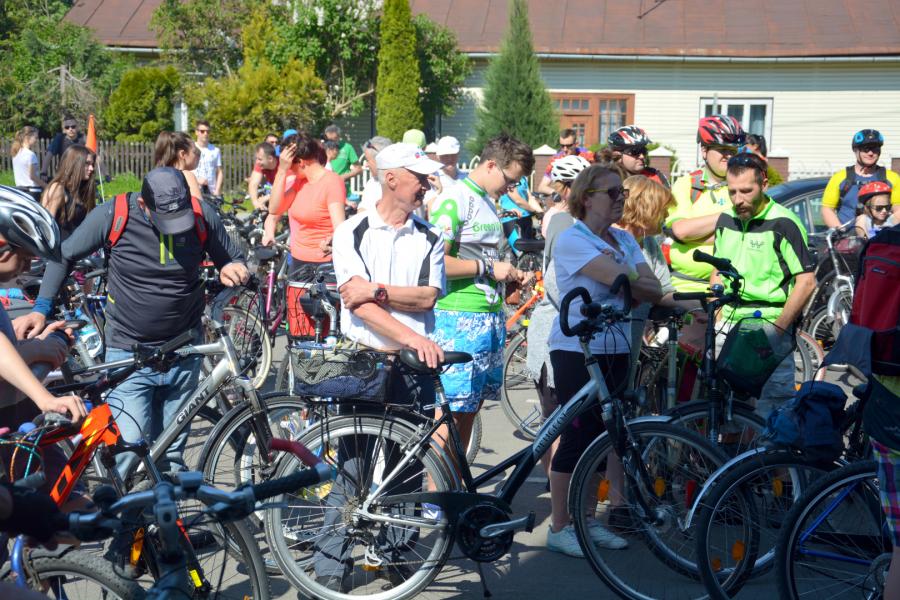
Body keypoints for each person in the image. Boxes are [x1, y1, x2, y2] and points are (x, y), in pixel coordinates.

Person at [15, 167, 248, 478]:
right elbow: (64, 255)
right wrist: (41, 309)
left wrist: (232, 266)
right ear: (142, 205)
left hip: (185, 351)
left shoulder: (201, 215)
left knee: (171, 456)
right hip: (129, 353)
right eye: (165, 221)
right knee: (127, 450)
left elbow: (231, 257)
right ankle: (120, 508)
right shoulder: (114, 214)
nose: (175, 230)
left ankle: (165, 509)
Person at [313, 144, 447, 590]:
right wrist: (411, 335)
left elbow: (427, 296)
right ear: (391, 178)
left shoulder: (431, 236)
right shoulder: (352, 231)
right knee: (353, 465)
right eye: (419, 177)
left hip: (413, 365)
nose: (427, 185)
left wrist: (379, 290)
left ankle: (398, 559)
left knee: (406, 467)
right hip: (366, 361)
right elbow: (357, 302)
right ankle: (329, 569)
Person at [546, 165, 662, 557]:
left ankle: (585, 519)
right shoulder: (572, 238)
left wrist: (632, 281)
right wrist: (631, 280)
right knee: (578, 436)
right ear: (586, 198)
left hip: (616, 346)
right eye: (612, 193)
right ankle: (559, 525)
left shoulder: (624, 238)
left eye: (621, 193)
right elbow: (624, 282)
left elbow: (652, 288)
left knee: (606, 435)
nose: (620, 200)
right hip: (576, 349)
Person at [428, 135, 531, 456]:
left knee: (470, 410)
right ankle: (435, 488)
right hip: (458, 318)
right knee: (449, 414)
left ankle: (456, 482)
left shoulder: (486, 200)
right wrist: (488, 267)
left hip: (488, 318)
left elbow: (483, 260)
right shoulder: (455, 199)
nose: (511, 188)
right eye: (509, 179)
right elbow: (436, 264)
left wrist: (508, 276)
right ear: (490, 165)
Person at [711, 152, 816, 419]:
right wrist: (716, 314)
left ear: (764, 184)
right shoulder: (725, 220)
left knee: (773, 414)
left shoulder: (784, 223)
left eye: (746, 191)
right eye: (732, 191)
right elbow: (717, 270)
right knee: (728, 413)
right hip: (729, 324)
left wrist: (778, 330)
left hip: (768, 324)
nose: (738, 199)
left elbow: (806, 281)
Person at [525, 154, 591, 481]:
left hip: (560, 322)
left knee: (558, 413)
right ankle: (557, 484)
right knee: (556, 414)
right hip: (554, 323)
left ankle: (559, 484)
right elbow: (557, 281)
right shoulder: (564, 220)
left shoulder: (568, 219)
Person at [617, 175, 702, 384]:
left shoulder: (650, 243)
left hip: (632, 336)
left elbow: (663, 291)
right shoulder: (611, 239)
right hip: (606, 338)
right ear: (646, 208)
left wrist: (698, 305)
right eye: (662, 209)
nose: (666, 215)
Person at [268, 132, 346, 337]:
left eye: (290, 166)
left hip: (325, 266)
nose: (289, 170)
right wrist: (281, 172)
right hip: (299, 263)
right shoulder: (299, 182)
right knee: (298, 330)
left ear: (301, 162)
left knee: (324, 332)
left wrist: (333, 240)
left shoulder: (331, 182)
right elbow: (274, 208)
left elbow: (340, 225)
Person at [665, 115, 746, 292]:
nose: (728, 156)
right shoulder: (687, 184)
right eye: (722, 149)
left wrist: (697, 234)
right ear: (704, 150)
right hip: (687, 287)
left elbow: (750, 235)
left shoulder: (744, 186)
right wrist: (729, 217)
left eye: (733, 150)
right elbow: (681, 231)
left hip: (733, 287)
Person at [821, 129, 900, 228]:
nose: (870, 153)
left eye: (875, 149)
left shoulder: (892, 178)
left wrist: (883, 229)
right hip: (847, 235)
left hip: (880, 236)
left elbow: (898, 210)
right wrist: (840, 230)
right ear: (855, 150)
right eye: (866, 149)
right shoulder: (839, 177)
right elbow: (827, 209)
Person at [40, 145, 97, 240]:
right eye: (87, 163)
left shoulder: (83, 189)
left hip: (80, 246)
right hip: (61, 247)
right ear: (74, 164)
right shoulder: (58, 188)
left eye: (92, 164)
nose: (91, 168)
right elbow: (46, 226)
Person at [605, 125, 669, 187]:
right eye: (635, 151)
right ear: (617, 155)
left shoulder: (656, 176)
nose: (642, 156)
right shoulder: (605, 179)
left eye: (643, 151)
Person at [536, 128, 595, 194]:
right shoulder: (556, 159)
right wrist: (556, 194)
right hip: (564, 197)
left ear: (576, 144)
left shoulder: (588, 156)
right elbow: (542, 187)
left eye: (568, 146)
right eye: (562, 146)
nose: (565, 149)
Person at [153, 131, 202, 200]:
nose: (198, 155)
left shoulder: (155, 177)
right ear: (182, 154)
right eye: (195, 151)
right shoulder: (187, 176)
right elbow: (198, 205)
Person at [41, 115, 85, 181]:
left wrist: (104, 174)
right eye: (67, 127)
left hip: (80, 174)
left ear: (77, 127)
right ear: (64, 129)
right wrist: (43, 172)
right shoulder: (60, 138)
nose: (70, 129)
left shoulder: (83, 138)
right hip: (64, 175)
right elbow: (49, 154)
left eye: (73, 126)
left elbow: (94, 154)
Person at [357, 136, 393, 213]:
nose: (366, 165)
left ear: (379, 160)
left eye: (368, 160)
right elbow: (362, 211)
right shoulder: (372, 182)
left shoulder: (397, 185)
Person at [323, 124, 362, 192]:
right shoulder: (322, 147)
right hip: (325, 188)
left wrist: (342, 177)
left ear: (338, 137)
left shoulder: (347, 148)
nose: (331, 142)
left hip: (342, 188)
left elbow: (358, 169)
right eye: (328, 139)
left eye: (334, 139)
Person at [192, 120, 223, 196]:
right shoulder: (191, 149)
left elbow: (220, 172)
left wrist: (217, 190)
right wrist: (197, 180)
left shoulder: (215, 150)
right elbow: (185, 170)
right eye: (202, 131)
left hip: (211, 192)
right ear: (196, 132)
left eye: (208, 131)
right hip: (194, 190)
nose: (205, 134)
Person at [247, 142, 277, 211]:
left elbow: (287, 189)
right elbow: (253, 184)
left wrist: (267, 197)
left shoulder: (283, 165)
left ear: (270, 158)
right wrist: (256, 203)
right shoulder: (260, 164)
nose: (257, 162)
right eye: (256, 158)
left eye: (260, 159)